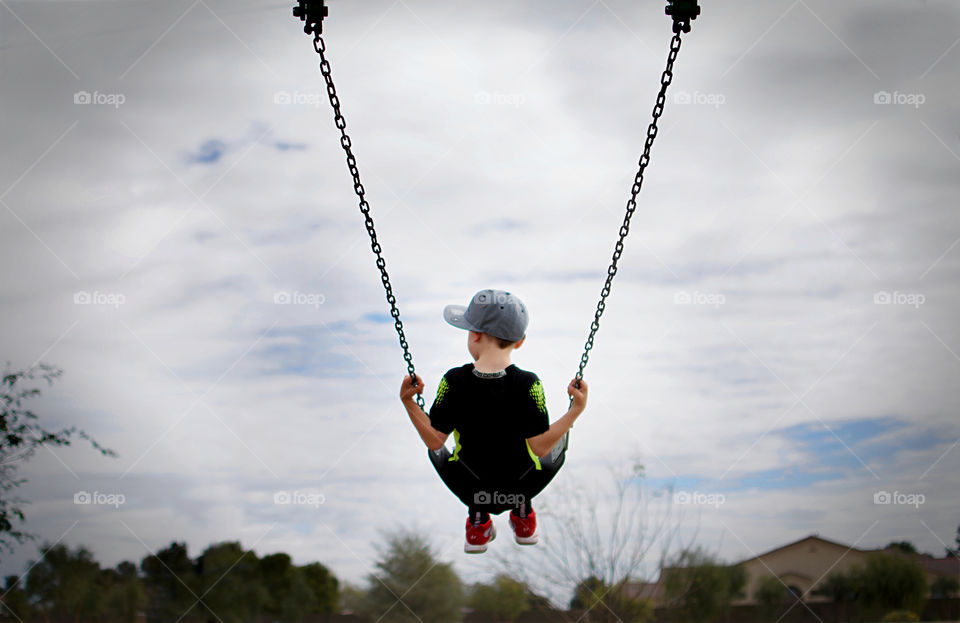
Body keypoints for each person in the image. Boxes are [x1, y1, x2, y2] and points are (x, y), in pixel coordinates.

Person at [399, 289, 588, 553]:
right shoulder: (529, 383)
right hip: (522, 487)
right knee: (558, 436)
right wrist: (575, 410)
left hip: (469, 489)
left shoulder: (453, 381)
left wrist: (408, 402)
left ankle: (478, 522)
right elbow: (540, 448)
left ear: (474, 335)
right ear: (519, 342)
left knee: (438, 449)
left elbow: (434, 440)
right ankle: (523, 515)